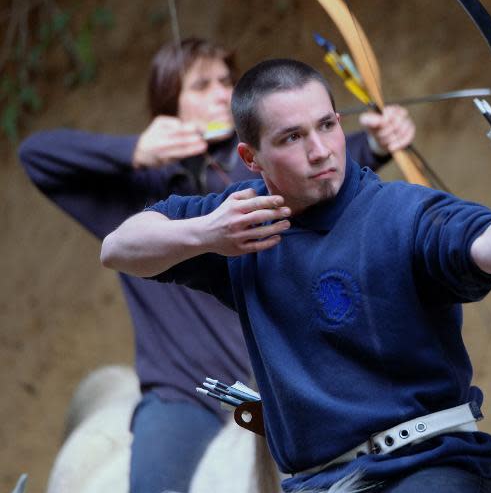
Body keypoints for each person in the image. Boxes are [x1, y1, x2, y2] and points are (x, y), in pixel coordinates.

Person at [100, 58, 491, 493]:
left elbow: (481, 244)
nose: (320, 150)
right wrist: (206, 234)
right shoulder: (236, 221)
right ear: (252, 159)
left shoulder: (402, 211)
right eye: (292, 137)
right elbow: (118, 248)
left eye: (327, 125)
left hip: (429, 467)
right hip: (318, 484)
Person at [19, 39, 415, 493]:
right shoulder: (136, 191)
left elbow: (320, 167)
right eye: (201, 85)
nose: (220, 93)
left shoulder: (252, 174)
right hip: (183, 397)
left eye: (226, 82)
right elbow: (37, 155)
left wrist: (380, 141)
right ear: (169, 105)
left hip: (280, 385)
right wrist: (133, 151)